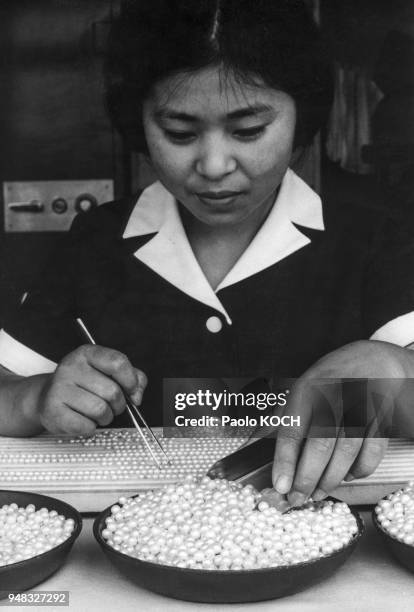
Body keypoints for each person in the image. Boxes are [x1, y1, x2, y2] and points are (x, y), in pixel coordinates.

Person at [0, 0, 413, 508]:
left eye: (248, 131)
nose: (214, 165)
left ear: (302, 115)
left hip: (332, 545)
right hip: (145, 539)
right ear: (137, 122)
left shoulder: (372, 237)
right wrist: (37, 398)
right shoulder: (96, 242)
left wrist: (392, 370)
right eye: (179, 133)